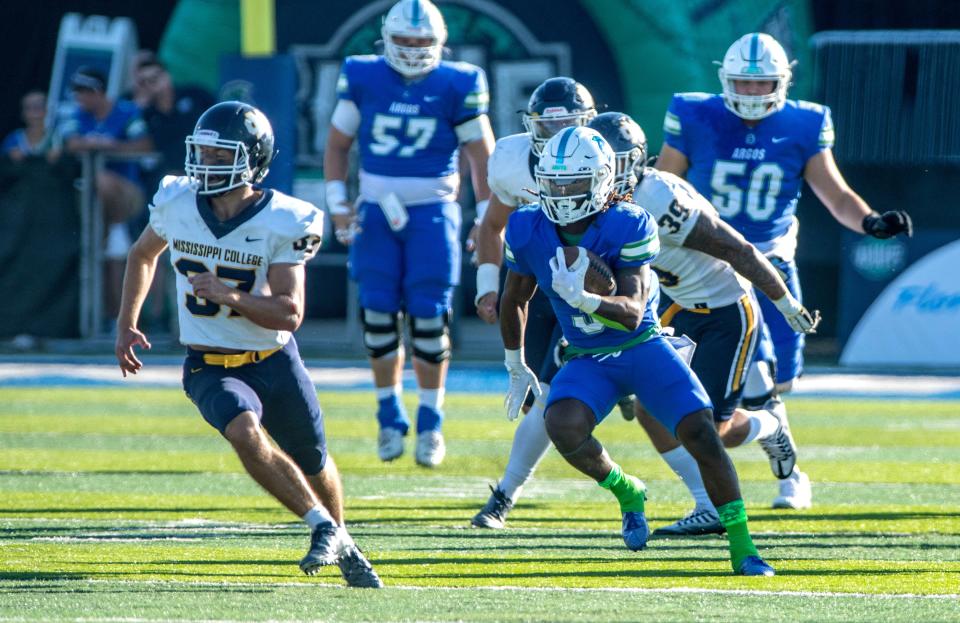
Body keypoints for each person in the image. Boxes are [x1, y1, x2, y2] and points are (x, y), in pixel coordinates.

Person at [114, 101, 383, 588]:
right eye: (203, 153)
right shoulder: (177, 200)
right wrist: (126, 322)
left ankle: (342, 541)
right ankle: (321, 525)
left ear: (253, 161)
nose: (205, 165)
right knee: (242, 429)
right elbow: (142, 254)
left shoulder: (284, 218)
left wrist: (230, 296)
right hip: (209, 364)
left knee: (314, 459)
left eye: (221, 156)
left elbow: (290, 312)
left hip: (275, 358)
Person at [500, 125, 774, 576]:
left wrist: (586, 299)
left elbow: (630, 311)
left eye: (574, 184)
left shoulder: (628, 221)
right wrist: (515, 363)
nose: (563, 195)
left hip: (640, 346)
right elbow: (514, 298)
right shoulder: (528, 225)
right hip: (588, 356)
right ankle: (628, 491)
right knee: (561, 425)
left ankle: (743, 546)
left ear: (603, 181)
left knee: (702, 432)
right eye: (554, 184)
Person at [657, 33, 913, 508]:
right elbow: (664, 182)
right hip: (704, 266)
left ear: (783, 82)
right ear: (724, 80)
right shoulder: (695, 113)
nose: (753, 93)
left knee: (773, 382)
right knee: (735, 378)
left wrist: (870, 221)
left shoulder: (805, 121)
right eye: (743, 84)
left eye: (763, 84)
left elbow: (834, 194)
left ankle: (779, 456)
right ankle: (780, 472)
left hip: (769, 262)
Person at [590, 112, 819, 535]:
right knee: (651, 409)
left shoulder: (657, 198)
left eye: (616, 163)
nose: (606, 175)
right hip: (677, 307)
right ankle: (706, 505)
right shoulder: (595, 206)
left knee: (715, 432)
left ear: (637, 162)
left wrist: (785, 303)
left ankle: (771, 427)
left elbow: (738, 248)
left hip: (725, 310)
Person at [324, 0, 494, 467]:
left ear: (440, 43)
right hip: (377, 209)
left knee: (427, 321)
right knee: (377, 317)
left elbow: (482, 155)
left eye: (423, 42)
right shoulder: (364, 75)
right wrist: (338, 206)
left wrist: (486, 215)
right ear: (386, 39)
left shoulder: (458, 81)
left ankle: (431, 422)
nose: (415, 51)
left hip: (433, 211)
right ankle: (387, 413)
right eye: (405, 41)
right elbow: (338, 145)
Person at [471, 76, 597, 529]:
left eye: (571, 126)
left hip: (600, 290)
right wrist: (489, 282)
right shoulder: (510, 159)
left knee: (559, 396)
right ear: (531, 125)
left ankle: (504, 496)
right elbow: (491, 225)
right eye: (549, 126)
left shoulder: (607, 155)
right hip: (540, 287)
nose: (559, 137)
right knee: (540, 400)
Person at [60, 66, 155, 326]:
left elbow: (145, 144)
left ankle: (109, 229)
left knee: (102, 180)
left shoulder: (127, 112)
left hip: (129, 194)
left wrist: (111, 146)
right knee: (111, 257)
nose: (80, 98)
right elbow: (70, 142)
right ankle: (109, 317)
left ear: (98, 92)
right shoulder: (78, 114)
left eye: (85, 92)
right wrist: (91, 144)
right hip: (96, 204)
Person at [2, 91, 61, 163]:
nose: (34, 113)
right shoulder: (13, 140)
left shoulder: (56, 137)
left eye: (38, 107)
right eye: (28, 108)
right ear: (23, 113)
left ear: (46, 110)